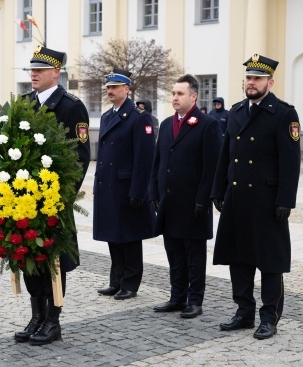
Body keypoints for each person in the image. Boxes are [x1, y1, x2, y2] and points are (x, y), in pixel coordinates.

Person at [211, 54, 301, 340]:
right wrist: (217, 189)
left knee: (271, 262)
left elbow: (291, 161)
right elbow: (225, 156)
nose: (251, 83)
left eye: (257, 79)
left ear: (269, 82)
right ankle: (244, 312)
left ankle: (269, 318)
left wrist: (285, 200)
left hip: (267, 200)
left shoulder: (284, 113)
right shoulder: (237, 111)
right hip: (237, 198)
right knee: (238, 259)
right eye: (248, 78)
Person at [16, 46, 90, 345]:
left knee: (53, 259)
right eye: (31, 70)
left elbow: (81, 156)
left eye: (39, 70)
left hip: (53, 200)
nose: (33, 74)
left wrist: (60, 196)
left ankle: (53, 320)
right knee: (27, 256)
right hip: (23, 199)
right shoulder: (24, 103)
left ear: (55, 73)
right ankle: (37, 315)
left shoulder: (71, 106)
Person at [149, 74, 222, 319]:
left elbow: (211, 166)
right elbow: (158, 161)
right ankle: (177, 297)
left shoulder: (208, 125)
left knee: (194, 255)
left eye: (180, 94)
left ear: (193, 96)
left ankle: (195, 300)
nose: (175, 98)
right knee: (174, 253)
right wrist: (154, 191)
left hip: (192, 203)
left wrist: (204, 198)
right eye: (173, 93)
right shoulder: (168, 123)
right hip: (169, 201)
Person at [94, 70, 155, 301]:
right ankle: (116, 280)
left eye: (116, 87)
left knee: (129, 238)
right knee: (113, 236)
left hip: (126, 187)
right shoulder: (107, 116)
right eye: (108, 87)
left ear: (127, 89)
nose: (110, 91)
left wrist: (139, 191)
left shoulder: (139, 118)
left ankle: (130, 283)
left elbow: (145, 158)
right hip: (109, 186)